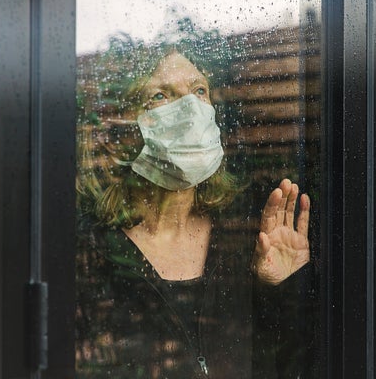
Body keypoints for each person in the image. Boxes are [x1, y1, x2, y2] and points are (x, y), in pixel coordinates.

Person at [76, 44, 315, 378]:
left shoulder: (246, 235)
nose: (189, 108)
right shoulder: (90, 250)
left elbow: (286, 361)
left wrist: (279, 289)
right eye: (161, 95)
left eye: (199, 90)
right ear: (121, 132)